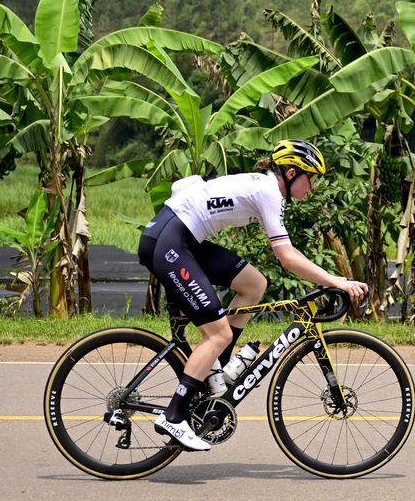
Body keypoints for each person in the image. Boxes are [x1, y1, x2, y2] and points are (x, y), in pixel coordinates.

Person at [137, 138, 367, 452]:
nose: (311, 187)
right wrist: (337, 280)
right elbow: (286, 257)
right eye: (310, 178)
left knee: (253, 284)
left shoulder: (263, 187)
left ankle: (217, 369)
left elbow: (187, 187)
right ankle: (174, 416)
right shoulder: (268, 191)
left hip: (181, 237)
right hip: (171, 242)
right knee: (216, 333)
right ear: (289, 173)